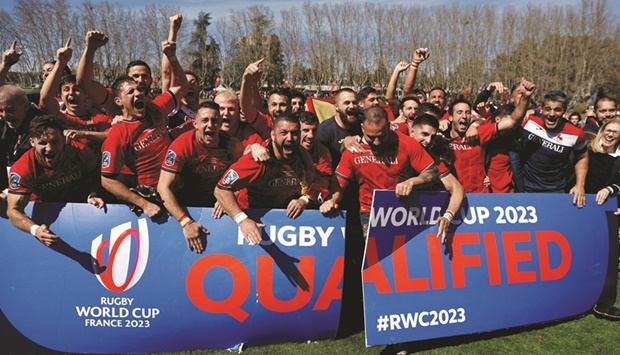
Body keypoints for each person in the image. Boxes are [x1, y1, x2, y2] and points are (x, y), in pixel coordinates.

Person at [92, 31, 187, 217]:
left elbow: (182, 86)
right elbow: (107, 180)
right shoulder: (118, 133)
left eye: (139, 90)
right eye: (130, 92)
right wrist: (143, 204)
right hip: (155, 199)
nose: (138, 94)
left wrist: (173, 58)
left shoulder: (156, 107)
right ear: (118, 102)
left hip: (181, 187)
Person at [214, 113, 332, 245]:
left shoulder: (302, 156)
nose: (290, 138)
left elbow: (312, 182)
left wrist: (304, 199)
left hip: (282, 221)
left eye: (294, 133)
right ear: (273, 135)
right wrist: (241, 219)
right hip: (251, 220)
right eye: (284, 133)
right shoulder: (258, 160)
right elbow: (221, 189)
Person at [329, 106, 440, 233]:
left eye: (381, 136)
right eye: (371, 137)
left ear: (388, 127)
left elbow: (433, 172)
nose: (376, 142)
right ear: (362, 128)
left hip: (404, 209)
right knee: (375, 252)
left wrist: (412, 182)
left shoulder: (407, 144)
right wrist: (331, 200)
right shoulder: (353, 151)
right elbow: (338, 183)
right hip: (370, 212)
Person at [158, 101, 244, 253]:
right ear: (195, 124)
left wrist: (231, 197)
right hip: (187, 204)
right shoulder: (182, 145)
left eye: (215, 121)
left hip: (218, 207)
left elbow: (247, 178)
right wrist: (185, 222)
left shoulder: (232, 145)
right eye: (205, 120)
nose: (210, 125)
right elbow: (163, 188)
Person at [6, 115, 104, 246]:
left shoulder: (80, 152)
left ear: (64, 139)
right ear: (32, 142)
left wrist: (93, 193)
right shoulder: (22, 169)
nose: (49, 148)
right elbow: (13, 210)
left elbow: (95, 176)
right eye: (42, 143)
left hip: (79, 206)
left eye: (55, 142)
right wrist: (35, 230)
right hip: (43, 210)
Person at [38, 38, 112, 148]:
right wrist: (60, 63)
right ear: (61, 96)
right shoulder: (59, 118)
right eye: (66, 89)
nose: (71, 93)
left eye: (76, 89)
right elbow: (45, 97)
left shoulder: (98, 119)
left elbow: (115, 135)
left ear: (86, 94)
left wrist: (84, 134)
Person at [520, 90, 588, 207]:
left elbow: (582, 158)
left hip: (555, 190)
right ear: (541, 109)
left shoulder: (576, 133)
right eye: (548, 109)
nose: (552, 114)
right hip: (525, 187)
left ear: (564, 111)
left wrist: (580, 185)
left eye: (557, 109)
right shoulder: (529, 121)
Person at [583, 118, 620, 320]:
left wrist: (611, 189)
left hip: (608, 211)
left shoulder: (619, 158)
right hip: (581, 208)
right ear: (602, 130)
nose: (611, 134)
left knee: (609, 257)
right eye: (608, 130)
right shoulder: (587, 150)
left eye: (616, 132)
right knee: (581, 253)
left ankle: (604, 304)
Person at [408, 113, 465, 242]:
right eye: (424, 134)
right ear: (412, 132)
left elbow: (457, 188)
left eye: (432, 137)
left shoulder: (432, 160)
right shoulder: (396, 146)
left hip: (416, 220)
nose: (428, 141)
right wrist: (351, 138)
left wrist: (448, 216)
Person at [0, 85, 44, 211]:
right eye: (1, 111)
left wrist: (8, 193)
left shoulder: (41, 128)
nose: (5, 115)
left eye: (10, 110)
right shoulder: (3, 125)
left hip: (31, 198)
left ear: (25, 106)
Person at [240, 58, 291, 139]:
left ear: (290, 107)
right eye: (274, 104)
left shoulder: (299, 125)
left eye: (282, 105)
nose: (278, 109)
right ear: (268, 106)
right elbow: (247, 108)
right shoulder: (265, 123)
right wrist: (246, 81)